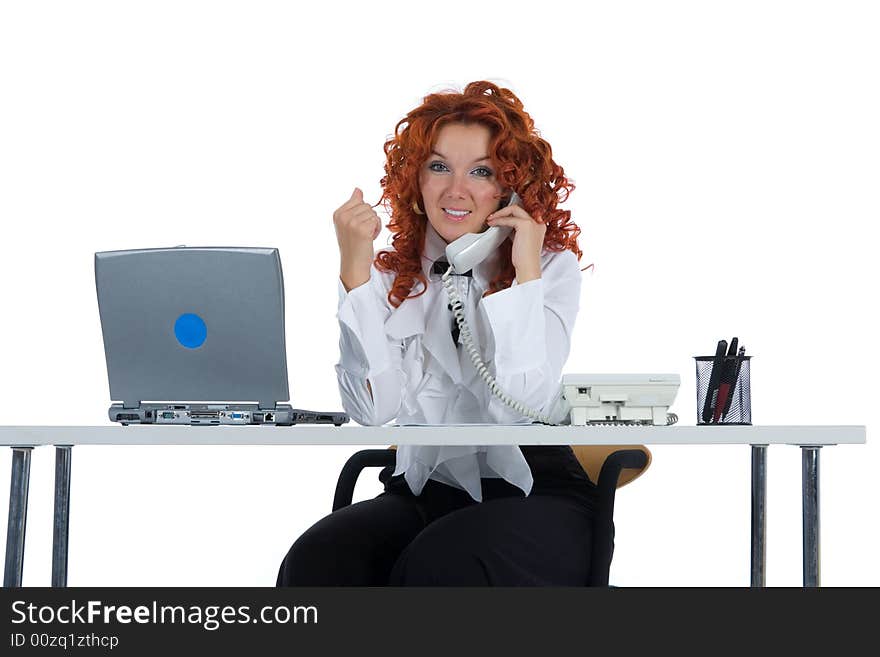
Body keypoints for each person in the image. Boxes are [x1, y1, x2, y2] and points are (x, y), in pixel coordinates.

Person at [277, 80, 596, 586]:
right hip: (427, 490)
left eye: (482, 172)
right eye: (439, 166)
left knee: (442, 563)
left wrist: (524, 274)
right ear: (415, 179)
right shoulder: (392, 274)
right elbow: (373, 411)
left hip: (539, 492)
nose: (456, 190)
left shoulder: (551, 268)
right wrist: (355, 274)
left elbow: (520, 404)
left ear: (511, 186)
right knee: (317, 560)